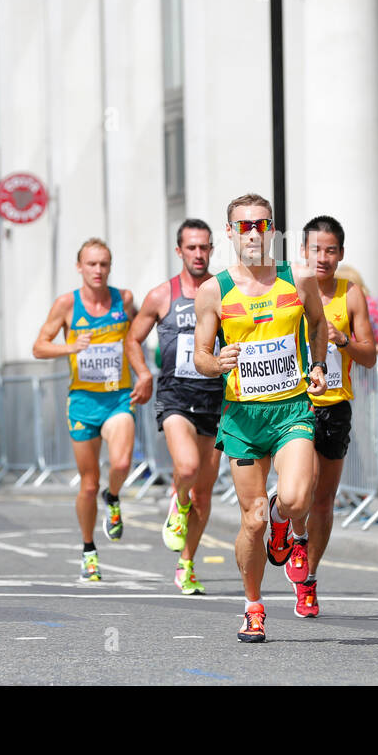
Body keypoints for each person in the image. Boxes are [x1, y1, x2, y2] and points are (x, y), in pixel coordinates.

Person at [193, 192, 329, 642]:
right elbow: (200, 356)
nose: (254, 233)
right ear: (229, 233)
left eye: (262, 225)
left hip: (292, 408)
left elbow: (318, 324)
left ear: (274, 230)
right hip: (243, 416)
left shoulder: (300, 278)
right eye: (244, 226)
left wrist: (319, 365)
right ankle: (253, 606)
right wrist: (219, 362)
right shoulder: (214, 290)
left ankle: (283, 518)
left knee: (296, 498)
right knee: (251, 520)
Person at [125, 218, 224, 595]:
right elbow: (133, 339)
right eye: (191, 248)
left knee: (205, 491)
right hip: (176, 398)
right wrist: (143, 374)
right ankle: (176, 501)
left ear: (212, 250)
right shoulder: (160, 296)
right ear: (179, 251)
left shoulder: (224, 291)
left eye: (204, 247)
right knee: (187, 467)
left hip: (216, 400)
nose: (198, 254)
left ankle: (186, 563)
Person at [32, 238, 138, 582]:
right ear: (79, 267)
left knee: (121, 463)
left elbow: (136, 335)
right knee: (88, 485)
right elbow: (38, 347)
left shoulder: (124, 300)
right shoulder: (66, 304)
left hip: (118, 397)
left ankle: (116, 495)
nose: (98, 270)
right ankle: (89, 550)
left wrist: (146, 373)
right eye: (91, 264)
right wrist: (69, 346)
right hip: (82, 402)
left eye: (104, 264)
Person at [297, 216, 377, 617]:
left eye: (330, 250)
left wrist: (341, 339)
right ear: (302, 252)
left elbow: (370, 356)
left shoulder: (352, 295)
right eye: (315, 249)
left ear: (340, 254)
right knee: (304, 487)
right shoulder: (290, 293)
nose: (322, 258)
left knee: (324, 500)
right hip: (295, 404)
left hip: (336, 405)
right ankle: (289, 531)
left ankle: (309, 579)